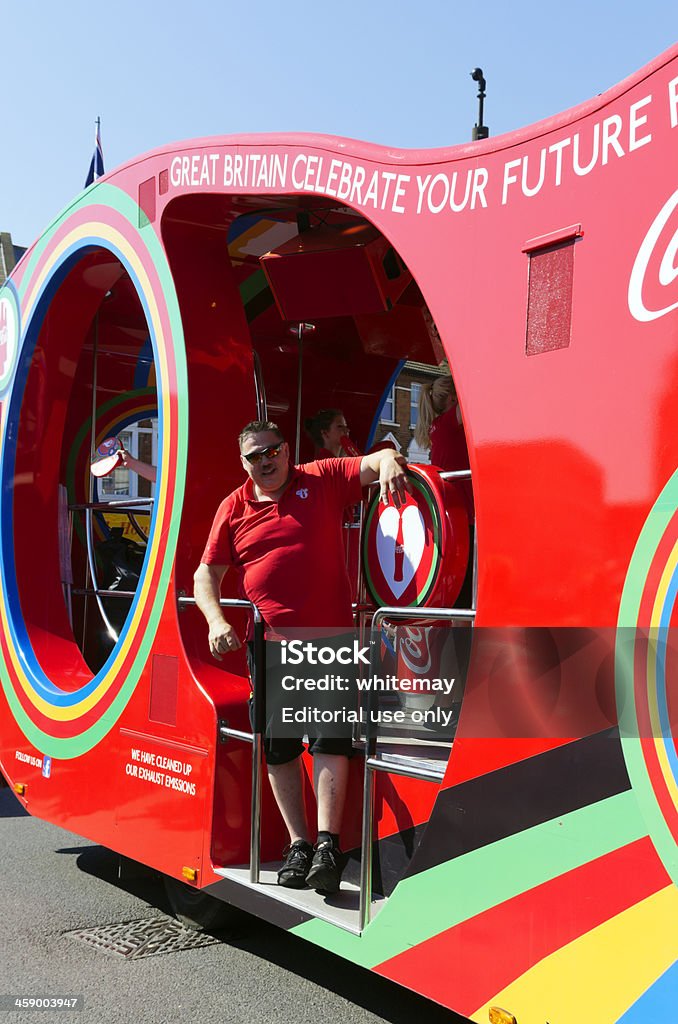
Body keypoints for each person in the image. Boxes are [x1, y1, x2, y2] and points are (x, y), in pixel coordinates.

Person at [193, 421, 410, 894]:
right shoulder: (233, 507)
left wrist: (390, 458)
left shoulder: (321, 477)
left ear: (286, 449)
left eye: (272, 450)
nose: (266, 460)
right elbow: (205, 575)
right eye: (255, 455)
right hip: (270, 642)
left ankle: (328, 845)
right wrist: (215, 621)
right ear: (243, 462)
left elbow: (372, 464)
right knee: (280, 747)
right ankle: (299, 844)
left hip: (330, 641)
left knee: (332, 741)